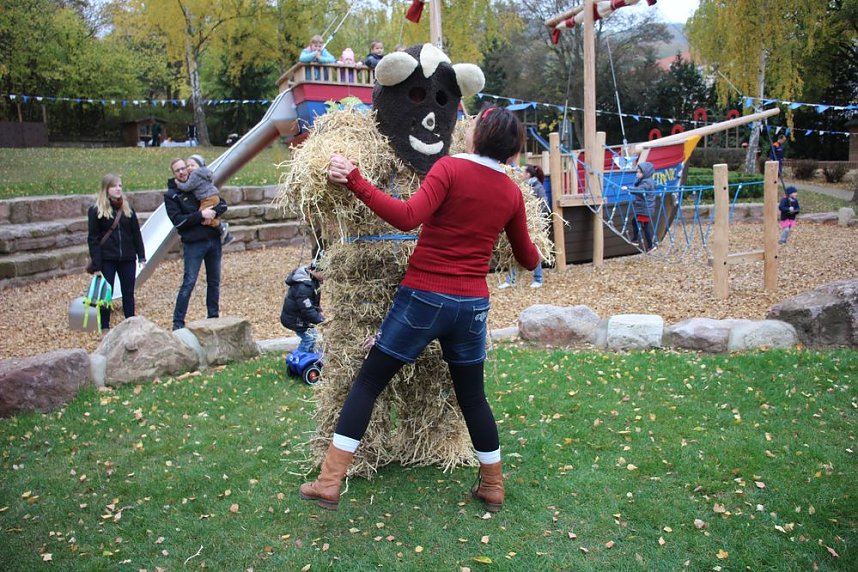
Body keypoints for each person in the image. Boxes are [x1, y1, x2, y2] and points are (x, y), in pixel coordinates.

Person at [299, 106, 541, 512]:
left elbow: (408, 217)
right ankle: (493, 486)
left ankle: (328, 481)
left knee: (369, 382)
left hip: (424, 297)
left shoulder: (449, 169)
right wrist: (532, 242)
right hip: (472, 307)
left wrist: (356, 180)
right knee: (473, 397)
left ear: (479, 134)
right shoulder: (512, 192)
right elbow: (530, 258)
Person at [164, 158, 228, 331]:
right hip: (194, 244)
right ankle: (178, 323)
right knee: (189, 282)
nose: (182, 172)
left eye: (184, 168)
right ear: (173, 173)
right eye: (177, 170)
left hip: (213, 240)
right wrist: (201, 216)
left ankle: (213, 317)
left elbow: (221, 203)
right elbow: (178, 222)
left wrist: (213, 212)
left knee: (214, 281)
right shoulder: (171, 195)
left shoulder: (196, 184)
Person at [87, 174, 146, 333]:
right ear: (106, 189)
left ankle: (131, 323)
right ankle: (105, 327)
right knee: (107, 293)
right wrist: (97, 264)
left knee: (128, 291)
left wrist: (141, 255)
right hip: (108, 258)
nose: (118, 189)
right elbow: (93, 239)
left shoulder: (127, 209)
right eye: (114, 186)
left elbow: (136, 233)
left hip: (127, 256)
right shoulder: (96, 210)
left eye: (120, 185)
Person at [499, 164, 549, 289]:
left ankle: (538, 279)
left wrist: (536, 219)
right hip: (524, 220)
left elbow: (544, 204)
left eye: (522, 171)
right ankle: (511, 279)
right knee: (516, 248)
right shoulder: (523, 185)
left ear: (528, 174)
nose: (520, 173)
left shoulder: (537, 186)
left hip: (534, 223)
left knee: (534, 248)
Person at [175, 154, 234, 245]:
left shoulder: (195, 174)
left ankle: (222, 226)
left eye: (192, 165)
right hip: (213, 197)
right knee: (206, 218)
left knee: (202, 218)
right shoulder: (205, 173)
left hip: (207, 199)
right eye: (188, 166)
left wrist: (178, 184)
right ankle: (227, 236)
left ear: (199, 166)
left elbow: (187, 187)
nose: (190, 168)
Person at [280, 262, 326, 352]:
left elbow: (314, 301)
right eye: (325, 273)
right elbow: (307, 309)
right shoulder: (303, 287)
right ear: (316, 271)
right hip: (294, 319)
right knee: (309, 338)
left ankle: (309, 356)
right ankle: (300, 359)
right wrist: (321, 320)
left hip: (300, 317)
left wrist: (319, 310)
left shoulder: (313, 280)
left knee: (312, 336)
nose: (326, 276)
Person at [625, 161, 657, 252]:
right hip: (644, 208)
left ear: (645, 173)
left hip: (645, 208)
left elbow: (639, 190)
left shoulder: (647, 183)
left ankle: (641, 242)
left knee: (642, 225)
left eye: (639, 172)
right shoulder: (645, 181)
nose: (637, 173)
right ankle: (646, 244)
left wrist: (628, 188)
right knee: (640, 224)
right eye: (637, 171)